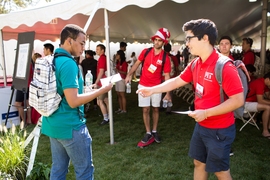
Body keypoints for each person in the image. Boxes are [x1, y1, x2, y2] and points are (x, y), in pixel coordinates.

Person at [137, 19, 244, 180]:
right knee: (199, 163)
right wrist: (151, 90)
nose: (187, 43)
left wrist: (206, 113)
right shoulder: (195, 63)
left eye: (189, 38)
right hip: (201, 125)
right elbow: (176, 81)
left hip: (219, 129)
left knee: (220, 171)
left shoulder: (224, 66)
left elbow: (238, 100)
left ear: (205, 38)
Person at [41, 24, 112, 179]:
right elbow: (73, 101)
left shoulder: (53, 59)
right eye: (81, 43)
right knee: (84, 172)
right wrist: (101, 91)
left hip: (53, 123)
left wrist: (89, 90)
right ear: (69, 41)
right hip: (70, 126)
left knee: (58, 170)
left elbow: (66, 92)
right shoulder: (68, 63)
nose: (83, 47)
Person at [125, 28, 171, 144]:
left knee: (156, 109)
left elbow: (167, 76)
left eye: (159, 40)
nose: (156, 42)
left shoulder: (165, 57)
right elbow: (136, 64)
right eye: (155, 40)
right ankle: (148, 132)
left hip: (156, 87)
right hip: (143, 85)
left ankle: (155, 130)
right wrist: (129, 75)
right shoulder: (146, 51)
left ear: (164, 42)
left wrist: (168, 92)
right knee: (145, 109)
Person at [245, 72, 270, 138]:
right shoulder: (259, 83)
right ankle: (265, 131)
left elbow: (268, 96)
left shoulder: (265, 84)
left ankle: (252, 119)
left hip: (252, 102)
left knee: (267, 104)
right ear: (267, 79)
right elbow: (260, 101)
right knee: (267, 107)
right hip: (246, 103)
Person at [93, 44, 110, 125]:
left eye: (98, 49)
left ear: (102, 50)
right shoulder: (103, 58)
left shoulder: (102, 58)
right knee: (106, 100)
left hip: (102, 82)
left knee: (100, 101)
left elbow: (101, 71)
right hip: (104, 81)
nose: (96, 50)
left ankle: (106, 118)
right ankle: (109, 117)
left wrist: (96, 82)